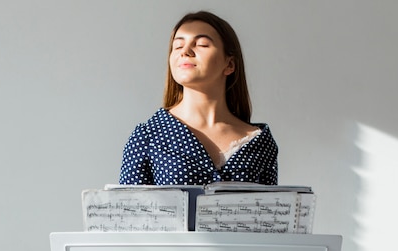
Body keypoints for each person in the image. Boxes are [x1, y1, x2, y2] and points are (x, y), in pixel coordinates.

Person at [119, 11, 278, 185]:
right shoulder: (147, 137)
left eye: (202, 44)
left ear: (229, 64)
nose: (185, 51)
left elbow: (272, 209)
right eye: (178, 46)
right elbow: (130, 209)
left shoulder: (260, 141)